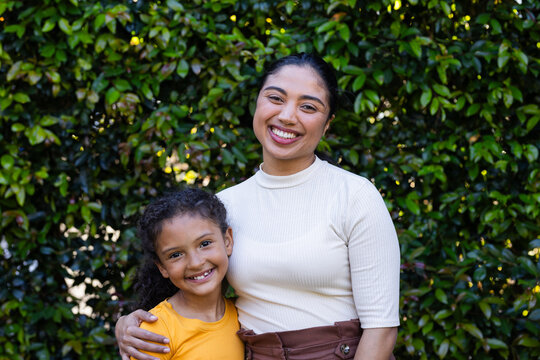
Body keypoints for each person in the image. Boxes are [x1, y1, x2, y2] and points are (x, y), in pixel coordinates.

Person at [116, 53, 400, 360]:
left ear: (327, 123)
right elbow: (195, 285)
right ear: (258, 103)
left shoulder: (355, 196)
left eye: (308, 106)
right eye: (275, 98)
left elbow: (381, 328)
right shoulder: (226, 204)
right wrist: (128, 324)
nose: (288, 116)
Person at [130, 188, 244, 359]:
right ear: (162, 267)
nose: (196, 262)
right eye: (176, 255)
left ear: (227, 241)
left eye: (205, 243)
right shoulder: (156, 331)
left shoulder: (243, 313)